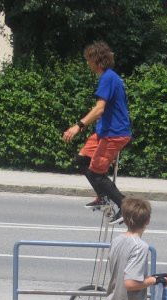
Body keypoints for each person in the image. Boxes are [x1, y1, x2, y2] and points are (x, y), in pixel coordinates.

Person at [62, 41, 132, 225]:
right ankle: (103, 197)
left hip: (114, 133)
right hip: (104, 132)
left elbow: (99, 109)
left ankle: (125, 208)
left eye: (89, 59)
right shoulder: (108, 77)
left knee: (96, 173)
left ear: (97, 61)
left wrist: (78, 126)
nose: (87, 63)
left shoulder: (108, 78)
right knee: (81, 160)